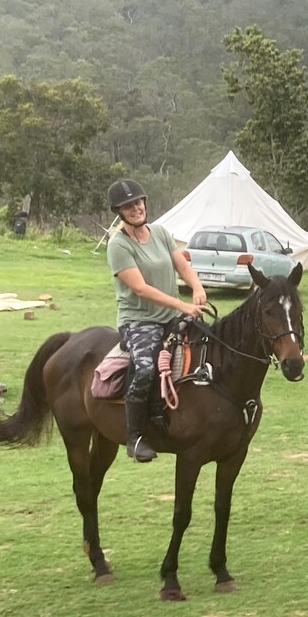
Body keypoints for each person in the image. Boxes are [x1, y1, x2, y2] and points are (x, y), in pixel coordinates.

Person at [105, 178, 207, 462]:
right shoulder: (118, 245)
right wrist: (181, 304)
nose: (136, 208)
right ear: (119, 212)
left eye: (138, 202)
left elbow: (182, 264)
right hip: (139, 321)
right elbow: (140, 288)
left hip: (173, 316)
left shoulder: (161, 232)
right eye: (128, 206)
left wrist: (197, 287)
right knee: (147, 369)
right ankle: (134, 436)